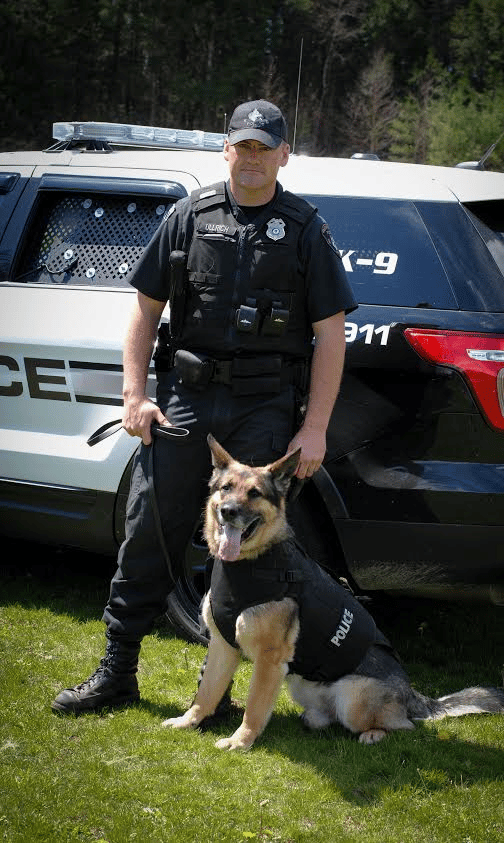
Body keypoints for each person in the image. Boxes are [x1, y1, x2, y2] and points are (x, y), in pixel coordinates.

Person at [52, 99, 357, 715]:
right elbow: (144, 308)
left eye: (264, 148)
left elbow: (331, 332)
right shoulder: (189, 216)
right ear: (226, 149)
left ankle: (213, 691)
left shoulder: (304, 229)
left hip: (265, 408)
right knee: (149, 528)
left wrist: (315, 427)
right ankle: (117, 671)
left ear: (283, 156)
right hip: (186, 403)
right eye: (242, 146)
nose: (251, 158)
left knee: (249, 550)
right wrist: (135, 395)